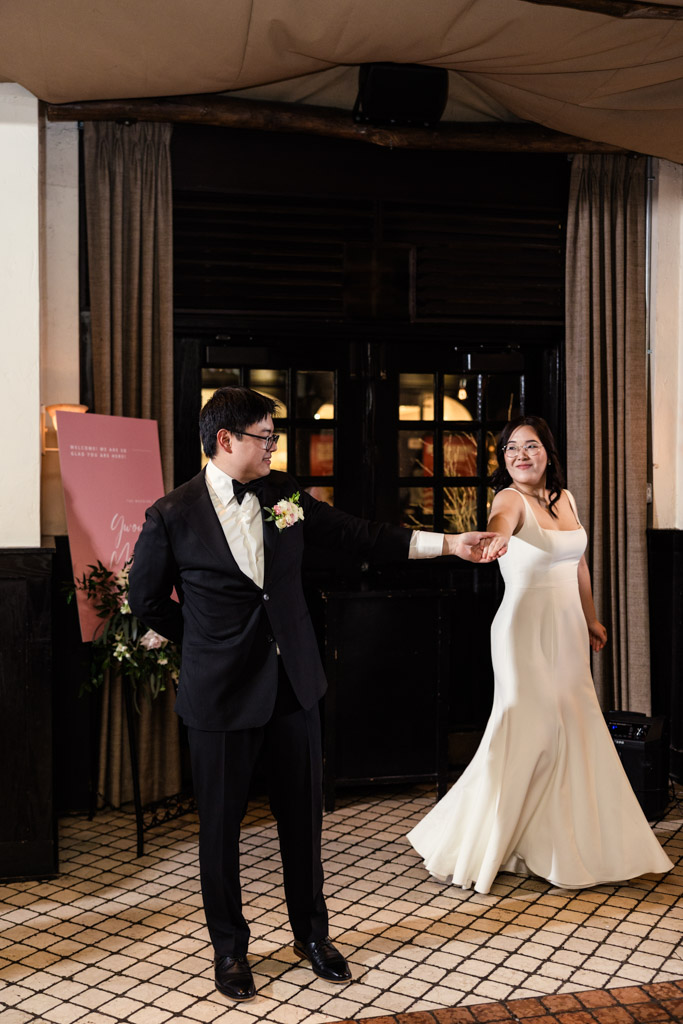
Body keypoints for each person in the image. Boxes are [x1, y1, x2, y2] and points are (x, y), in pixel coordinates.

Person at [128, 385, 505, 1001]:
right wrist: (202, 639)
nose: (273, 445)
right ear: (226, 441)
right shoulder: (171, 514)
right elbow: (143, 600)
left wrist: (449, 544)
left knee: (301, 823)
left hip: (292, 686)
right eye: (264, 436)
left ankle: (312, 935)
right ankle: (229, 950)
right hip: (218, 696)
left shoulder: (285, 496)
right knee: (220, 831)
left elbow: (362, 535)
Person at [408, 415, 672, 893]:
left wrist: (590, 618)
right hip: (522, 632)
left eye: (530, 446)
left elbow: (579, 565)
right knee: (525, 729)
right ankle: (482, 839)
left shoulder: (565, 499)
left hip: (568, 629)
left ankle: (557, 839)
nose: (520, 455)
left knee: (572, 727)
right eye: (511, 448)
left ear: (549, 453)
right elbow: (499, 526)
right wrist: (498, 537)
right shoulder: (508, 500)